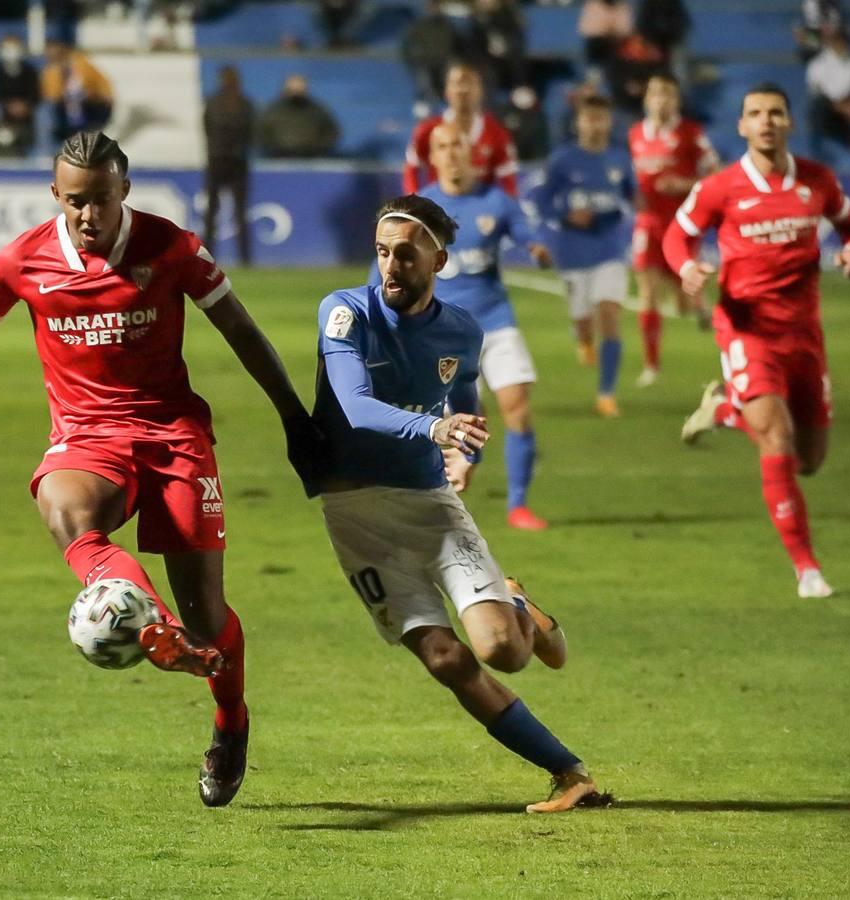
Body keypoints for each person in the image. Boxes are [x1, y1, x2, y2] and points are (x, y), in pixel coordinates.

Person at [0, 131, 324, 807]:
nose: (87, 215)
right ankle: (151, 628)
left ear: (124, 190)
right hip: (86, 439)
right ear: (55, 197)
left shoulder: (172, 248)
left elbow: (241, 330)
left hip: (173, 437)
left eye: (100, 199)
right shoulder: (20, 261)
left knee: (208, 616)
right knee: (66, 514)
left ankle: (230, 722)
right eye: (74, 202)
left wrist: (293, 420)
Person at [312, 193, 609, 814]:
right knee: (446, 659)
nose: (391, 265)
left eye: (406, 254)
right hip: (355, 513)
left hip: (428, 501)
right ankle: (569, 773)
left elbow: (464, 399)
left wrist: (463, 450)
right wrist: (435, 430)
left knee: (504, 650)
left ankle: (519, 605)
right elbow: (354, 406)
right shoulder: (344, 313)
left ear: (439, 259)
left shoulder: (461, 330)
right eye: (382, 252)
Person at [665, 83, 850, 599]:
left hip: (804, 336)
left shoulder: (817, 181)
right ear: (742, 126)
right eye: (755, 113)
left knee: (809, 460)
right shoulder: (721, 187)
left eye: (776, 112)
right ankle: (807, 569)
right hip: (746, 332)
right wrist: (688, 267)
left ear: (789, 123)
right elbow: (677, 234)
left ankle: (727, 413)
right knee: (776, 439)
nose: (766, 121)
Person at [385, 122, 551, 530]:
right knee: (446, 427)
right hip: (439, 335)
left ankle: (518, 505)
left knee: (518, 407)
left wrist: (538, 248)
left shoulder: (498, 202)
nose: (452, 152)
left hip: (495, 322)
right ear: (434, 157)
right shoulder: (418, 210)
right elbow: (387, 268)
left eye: (458, 144)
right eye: (443, 146)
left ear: (472, 152)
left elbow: (530, 235)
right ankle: (439, 503)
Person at [531, 94, 635, 418]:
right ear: (578, 122)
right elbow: (541, 201)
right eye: (589, 118)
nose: (595, 124)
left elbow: (631, 197)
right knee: (582, 319)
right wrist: (565, 214)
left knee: (608, 314)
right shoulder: (562, 160)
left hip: (610, 250)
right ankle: (584, 339)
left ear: (609, 122)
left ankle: (606, 394)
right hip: (573, 251)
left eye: (600, 118)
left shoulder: (620, 159)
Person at [627, 72, 718, 387]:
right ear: (646, 99)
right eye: (654, 93)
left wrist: (682, 184)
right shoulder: (636, 134)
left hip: (681, 225)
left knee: (683, 300)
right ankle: (651, 365)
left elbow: (715, 176)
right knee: (648, 293)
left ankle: (701, 305)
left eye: (666, 93)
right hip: (647, 223)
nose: (660, 100)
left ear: (676, 99)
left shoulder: (692, 134)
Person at [403, 61, 520, 195]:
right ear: (446, 90)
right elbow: (411, 170)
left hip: (480, 208)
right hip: (438, 208)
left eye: (469, 82)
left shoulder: (498, 134)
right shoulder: (427, 131)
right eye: (456, 83)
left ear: (481, 90)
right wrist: (414, 203)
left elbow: (508, 183)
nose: (463, 89)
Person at [202, 65, 256, 265]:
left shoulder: (213, 103)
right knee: (240, 213)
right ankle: (245, 259)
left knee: (211, 213)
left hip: (217, 160)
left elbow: (207, 129)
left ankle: (206, 256)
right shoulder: (245, 104)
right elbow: (251, 133)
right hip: (238, 162)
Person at [805, 26, 850, 148]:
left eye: (843, 41)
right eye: (837, 41)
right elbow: (816, 92)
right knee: (818, 105)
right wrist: (838, 106)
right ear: (831, 42)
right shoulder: (818, 63)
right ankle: (819, 147)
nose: (840, 45)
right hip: (829, 108)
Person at [0, 35, 40, 159]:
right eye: (8, 47)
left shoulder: (30, 70)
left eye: (14, 47)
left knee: (43, 117)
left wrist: (24, 106)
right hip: (3, 114)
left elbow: (35, 94)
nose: (12, 51)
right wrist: (9, 106)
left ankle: (40, 152)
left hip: (27, 114)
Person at [41, 40, 115, 142]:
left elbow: (101, 84)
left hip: (88, 104)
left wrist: (100, 95)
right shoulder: (50, 71)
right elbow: (52, 95)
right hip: (63, 107)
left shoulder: (82, 64)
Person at [401, 0, 461, 117]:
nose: (434, 10)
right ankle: (423, 106)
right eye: (432, 8)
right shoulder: (420, 25)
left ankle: (449, 107)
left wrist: (456, 57)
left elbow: (458, 44)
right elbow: (406, 45)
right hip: (425, 61)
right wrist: (411, 59)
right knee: (424, 83)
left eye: (437, 8)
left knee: (448, 80)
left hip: (443, 61)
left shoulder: (447, 26)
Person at [257, 74, 341, 158]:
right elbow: (260, 133)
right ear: (284, 91)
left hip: (312, 159)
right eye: (292, 90)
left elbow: (332, 132)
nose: (296, 94)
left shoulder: (318, 111)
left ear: (305, 91)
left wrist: (318, 148)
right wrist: (273, 148)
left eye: (299, 90)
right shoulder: (272, 112)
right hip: (279, 159)